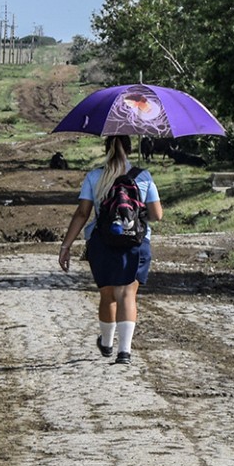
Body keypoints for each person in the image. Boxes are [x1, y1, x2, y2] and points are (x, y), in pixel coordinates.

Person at [58, 134, 163, 365]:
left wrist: (66, 246)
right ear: (130, 147)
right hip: (136, 242)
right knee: (127, 294)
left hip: (102, 243)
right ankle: (124, 352)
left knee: (108, 295)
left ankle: (106, 343)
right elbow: (157, 215)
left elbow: (82, 213)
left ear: (107, 149)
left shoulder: (95, 176)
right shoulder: (143, 176)